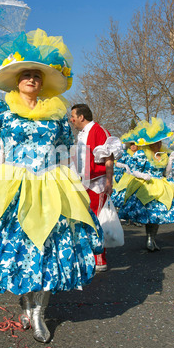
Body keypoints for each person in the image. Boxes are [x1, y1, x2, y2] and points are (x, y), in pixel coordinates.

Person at [0, 28, 104, 343]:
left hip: (49, 184)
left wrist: (75, 184)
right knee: (19, 248)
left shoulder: (57, 116)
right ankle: (28, 302)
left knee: (47, 249)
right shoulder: (3, 110)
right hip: (12, 185)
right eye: (26, 74)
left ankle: (37, 313)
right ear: (16, 80)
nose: (32, 78)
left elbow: (64, 153)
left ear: (43, 82)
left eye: (37, 75)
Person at [113, 118, 174, 251]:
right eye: (156, 142)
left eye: (160, 142)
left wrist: (171, 161)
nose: (159, 144)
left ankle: (152, 239)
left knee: (157, 216)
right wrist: (143, 175)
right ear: (150, 144)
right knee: (149, 214)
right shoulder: (141, 154)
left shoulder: (164, 154)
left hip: (161, 186)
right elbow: (133, 170)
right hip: (146, 186)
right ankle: (149, 239)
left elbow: (167, 172)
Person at [70, 103, 122, 272]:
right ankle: (88, 256)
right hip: (83, 184)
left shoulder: (99, 131)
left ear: (81, 117)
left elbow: (108, 158)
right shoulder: (81, 134)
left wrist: (109, 181)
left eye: (73, 116)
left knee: (98, 220)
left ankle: (100, 258)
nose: (71, 120)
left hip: (97, 184)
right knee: (85, 221)